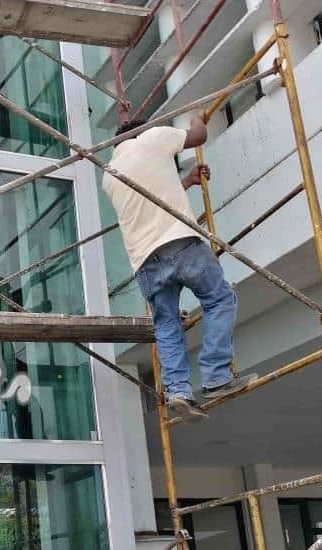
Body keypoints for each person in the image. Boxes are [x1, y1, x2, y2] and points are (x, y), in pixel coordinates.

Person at [102, 115, 256, 422]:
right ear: (141, 132)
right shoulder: (152, 138)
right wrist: (197, 116)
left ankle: (179, 393)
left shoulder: (109, 176)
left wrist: (186, 181)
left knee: (167, 326)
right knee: (220, 299)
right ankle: (216, 378)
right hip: (181, 245)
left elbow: (151, 199)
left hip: (145, 262)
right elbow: (198, 135)